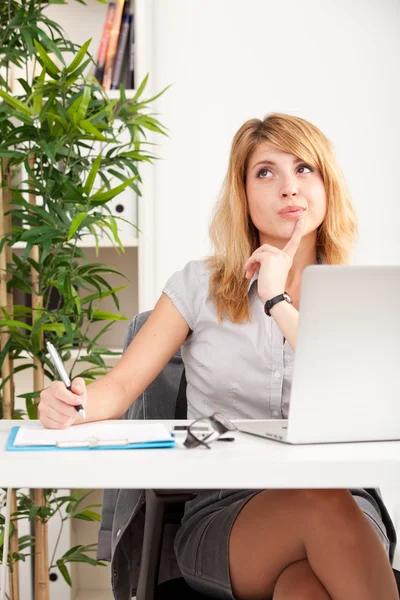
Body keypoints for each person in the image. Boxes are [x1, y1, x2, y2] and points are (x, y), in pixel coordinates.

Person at [39, 113, 398, 600]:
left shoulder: (358, 294)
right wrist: (73, 403)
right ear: (243, 194)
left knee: (303, 587)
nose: (289, 188)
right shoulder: (199, 285)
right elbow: (120, 388)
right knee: (322, 504)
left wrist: (276, 300)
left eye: (304, 169)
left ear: (326, 184)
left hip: (348, 503)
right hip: (227, 514)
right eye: (266, 173)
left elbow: (367, 401)